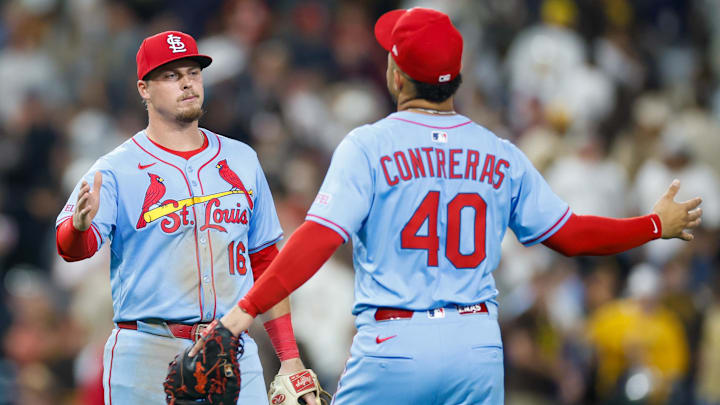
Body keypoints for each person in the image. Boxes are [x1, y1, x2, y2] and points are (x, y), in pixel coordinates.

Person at [186, 8, 703, 404]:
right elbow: (570, 235)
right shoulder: (500, 152)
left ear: (396, 73)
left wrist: (241, 313)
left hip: (395, 344)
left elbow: (317, 240)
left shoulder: (368, 145)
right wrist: (654, 223)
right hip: (475, 346)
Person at [55, 31, 317, 405]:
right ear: (144, 89)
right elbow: (73, 249)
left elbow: (265, 262)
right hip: (147, 351)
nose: (187, 83)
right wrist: (79, 228)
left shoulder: (242, 159)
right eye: (171, 76)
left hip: (234, 352)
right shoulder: (114, 169)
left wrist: (290, 358)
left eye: (193, 72)